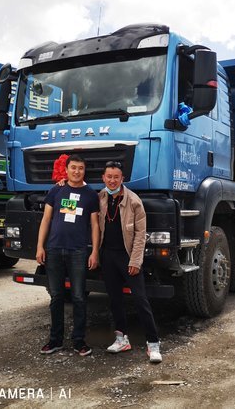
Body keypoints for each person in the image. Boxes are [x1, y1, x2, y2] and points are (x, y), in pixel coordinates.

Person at [36, 155, 100, 356]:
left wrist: (95, 251)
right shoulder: (56, 190)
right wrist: (40, 247)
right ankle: (55, 340)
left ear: (84, 171)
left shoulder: (91, 195)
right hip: (54, 250)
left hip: (78, 252)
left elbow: (95, 225)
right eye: (73, 167)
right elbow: (46, 219)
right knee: (56, 296)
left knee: (79, 297)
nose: (77, 171)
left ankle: (79, 341)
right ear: (66, 169)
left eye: (81, 168)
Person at [99, 161, 162, 363]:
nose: (112, 180)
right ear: (103, 178)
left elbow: (140, 234)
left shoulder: (134, 200)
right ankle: (121, 339)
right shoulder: (100, 197)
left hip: (127, 257)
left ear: (122, 179)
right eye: (109, 176)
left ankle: (153, 343)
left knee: (140, 299)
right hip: (108, 256)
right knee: (114, 299)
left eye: (116, 177)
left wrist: (135, 260)